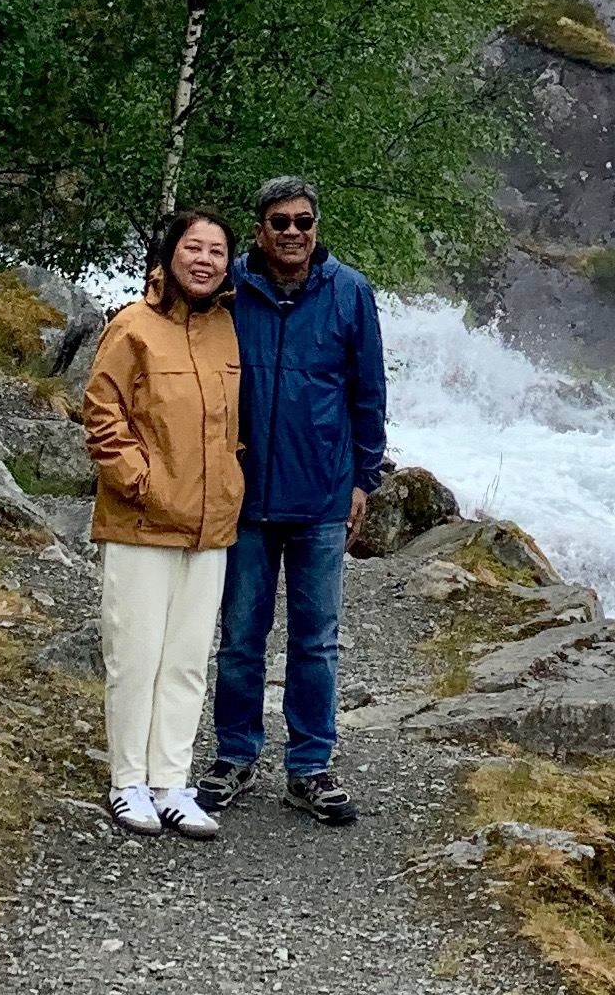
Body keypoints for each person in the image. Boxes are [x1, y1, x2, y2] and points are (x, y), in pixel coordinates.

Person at [199, 174, 386, 827]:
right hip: (244, 497)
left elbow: (368, 395)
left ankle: (310, 767)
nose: (293, 233)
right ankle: (234, 757)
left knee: (317, 641)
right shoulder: (230, 290)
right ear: (259, 230)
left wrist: (364, 479)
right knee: (242, 636)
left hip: (322, 496)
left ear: (316, 227)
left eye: (303, 222)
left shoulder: (350, 293)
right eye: (280, 222)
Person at [79, 204, 244, 840]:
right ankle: (128, 783)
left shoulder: (229, 330)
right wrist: (139, 482)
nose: (204, 261)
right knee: (135, 655)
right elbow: (102, 411)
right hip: (142, 521)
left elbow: (235, 425)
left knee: (185, 661)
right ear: (171, 254)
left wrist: (234, 481)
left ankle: (171, 784)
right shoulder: (133, 327)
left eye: (217, 252)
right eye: (193, 248)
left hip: (210, 525)